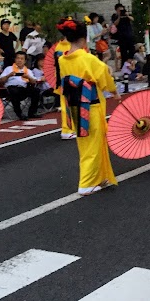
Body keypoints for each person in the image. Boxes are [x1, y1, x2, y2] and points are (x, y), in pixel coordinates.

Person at [57, 18, 119, 196]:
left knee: (85, 142)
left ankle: (99, 176)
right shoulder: (88, 59)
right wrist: (114, 91)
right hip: (90, 105)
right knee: (93, 143)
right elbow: (104, 77)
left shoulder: (63, 60)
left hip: (75, 104)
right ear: (84, 39)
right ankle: (87, 182)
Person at [0, 51, 42, 120]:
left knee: (36, 91)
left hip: (23, 88)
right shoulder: (9, 69)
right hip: (12, 89)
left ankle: (32, 112)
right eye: (18, 58)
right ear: (15, 59)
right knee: (14, 91)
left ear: (25, 61)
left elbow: (34, 81)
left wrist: (28, 77)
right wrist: (8, 75)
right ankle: (19, 113)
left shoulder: (27, 70)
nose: (19, 60)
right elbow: (0, 81)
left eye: (22, 59)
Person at [50, 29, 76, 139]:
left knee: (69, 104)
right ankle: (67, 129)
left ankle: (71, 128)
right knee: (67, 105)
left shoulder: (59, 46)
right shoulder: (67, 46)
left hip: (65, 78)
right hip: (68, 78)